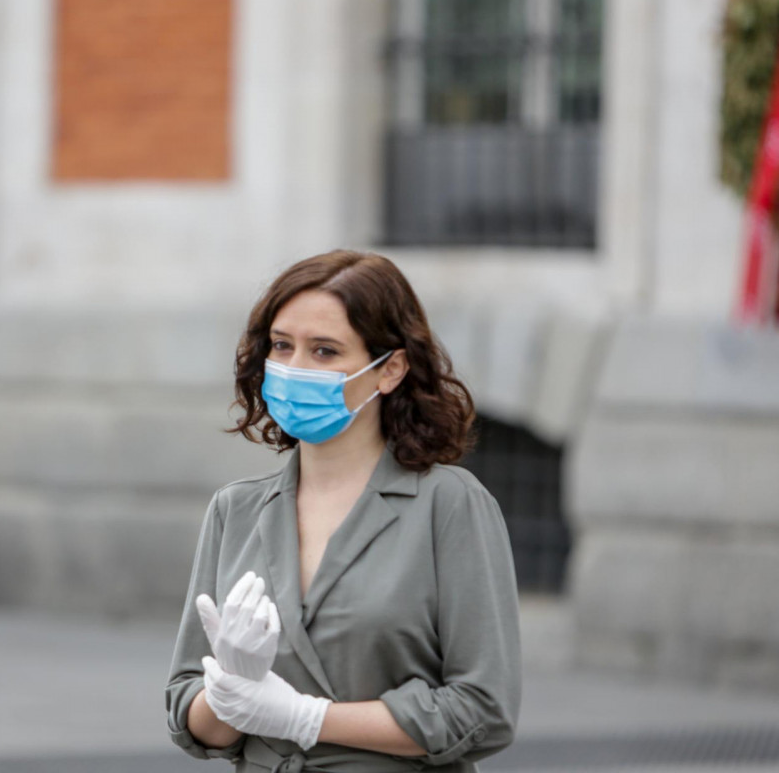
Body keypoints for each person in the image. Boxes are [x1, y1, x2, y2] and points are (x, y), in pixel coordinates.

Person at [165, 250, 521, 771]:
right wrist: (231, 693)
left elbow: (483, 710)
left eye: (325, 351)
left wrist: (305, 719)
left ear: (391, 369)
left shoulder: (450, 505)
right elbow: (186, 712)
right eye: (282, 346)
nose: (293, 368)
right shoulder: (234, 509)